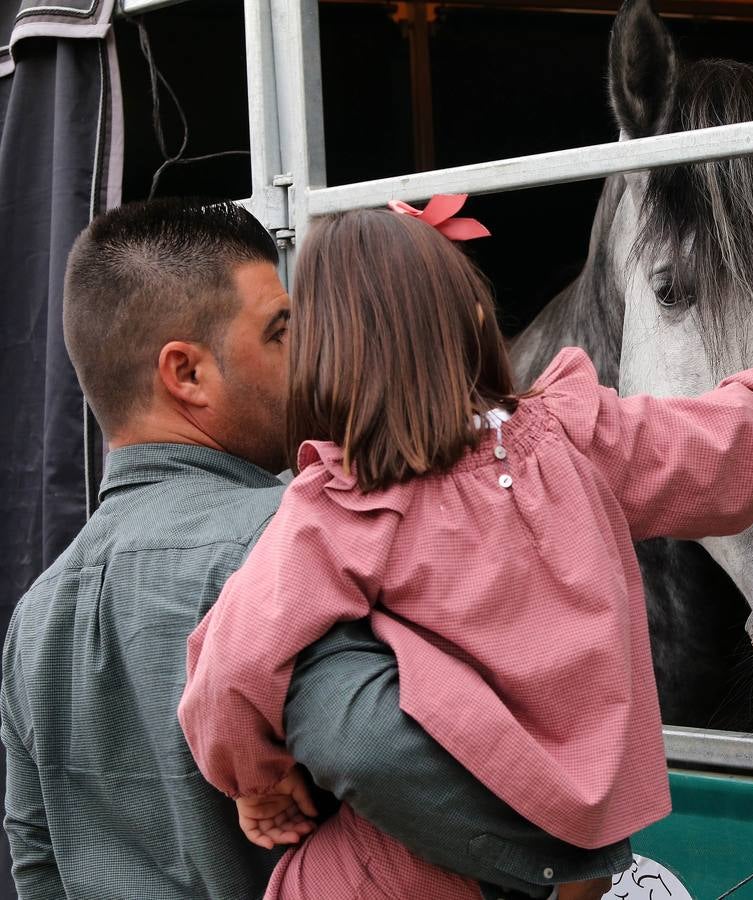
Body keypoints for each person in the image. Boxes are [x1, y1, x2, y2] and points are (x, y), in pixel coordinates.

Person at [176, 199, 753, 899]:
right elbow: (709, 452)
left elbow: (229, 668)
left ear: (324, 358)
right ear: (477, 321)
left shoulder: (338, 508)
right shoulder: (575, 437)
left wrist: (257, 780)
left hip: (395, 870)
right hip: (575, 861)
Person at [1, 198, 629, 900]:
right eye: (280, 331)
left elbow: (37, 863)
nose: (311, 351)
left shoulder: (34, 617)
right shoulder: (292, 539)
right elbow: (368, 747)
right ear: (186, 375)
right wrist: (571, 861)